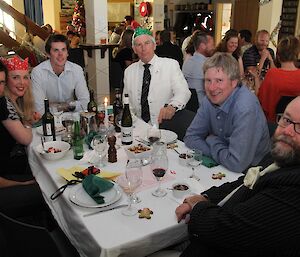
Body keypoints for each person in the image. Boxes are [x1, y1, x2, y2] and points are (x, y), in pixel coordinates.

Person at [171, 96, 300, 257]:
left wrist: (198, 207)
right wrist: (206, 197)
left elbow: (227, 229)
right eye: (286, 120)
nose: (287, 131)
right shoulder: (283, 155)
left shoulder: (293, 187)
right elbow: (244, 181)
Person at [184, 52, 270, 173]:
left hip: (252, 173)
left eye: (219, 80)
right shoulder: (209, 100)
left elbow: (237, 164)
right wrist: (222, 151)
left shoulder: (245, 108)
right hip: (224, 167)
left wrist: (212, 141)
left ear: (234, 82)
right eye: (208, 80)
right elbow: (191, 137)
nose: (212, 88)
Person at [0, 58, 50, 222]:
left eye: (25, 77)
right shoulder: (3, 104)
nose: (22, 82)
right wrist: (20, 185)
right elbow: (25, 138)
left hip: (8, 170)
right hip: (4, 180)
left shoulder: (9, 101)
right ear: (9, 81)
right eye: (15, 77)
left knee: (46, 174)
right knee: (50, 189)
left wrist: (26, 122)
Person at [123, 27, 191, 125]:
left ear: (154, 45)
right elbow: (126, 102)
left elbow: (183, 92)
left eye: (147, 43)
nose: (143, 48)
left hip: (164, 126)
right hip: (138, 128)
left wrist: (172, 107)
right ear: (134, 49)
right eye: (139, 45)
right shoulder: (129, 72)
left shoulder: (170, 65)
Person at [31, 34, 89, 114]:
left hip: (71, 119)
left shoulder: (77, 70)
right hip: (49, 121)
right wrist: (71, 105)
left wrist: (56, 106)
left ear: (67, 53)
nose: (60, 54)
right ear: (48, 54)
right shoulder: (38, 72)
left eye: (63, 50)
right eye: (56, 50)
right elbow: (39, 109)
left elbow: (85, 104)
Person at [258, 35, 300, 122]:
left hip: (273, 125)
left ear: (278, 55)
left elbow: (261, 101)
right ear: (296, 54)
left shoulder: (272, 74)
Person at [182, 31, 215, 106]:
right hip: (204, 107)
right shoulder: (208, 65)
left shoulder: (187, 62)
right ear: (202, 46)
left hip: (189, 106)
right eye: (212, 45)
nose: (214, 47)